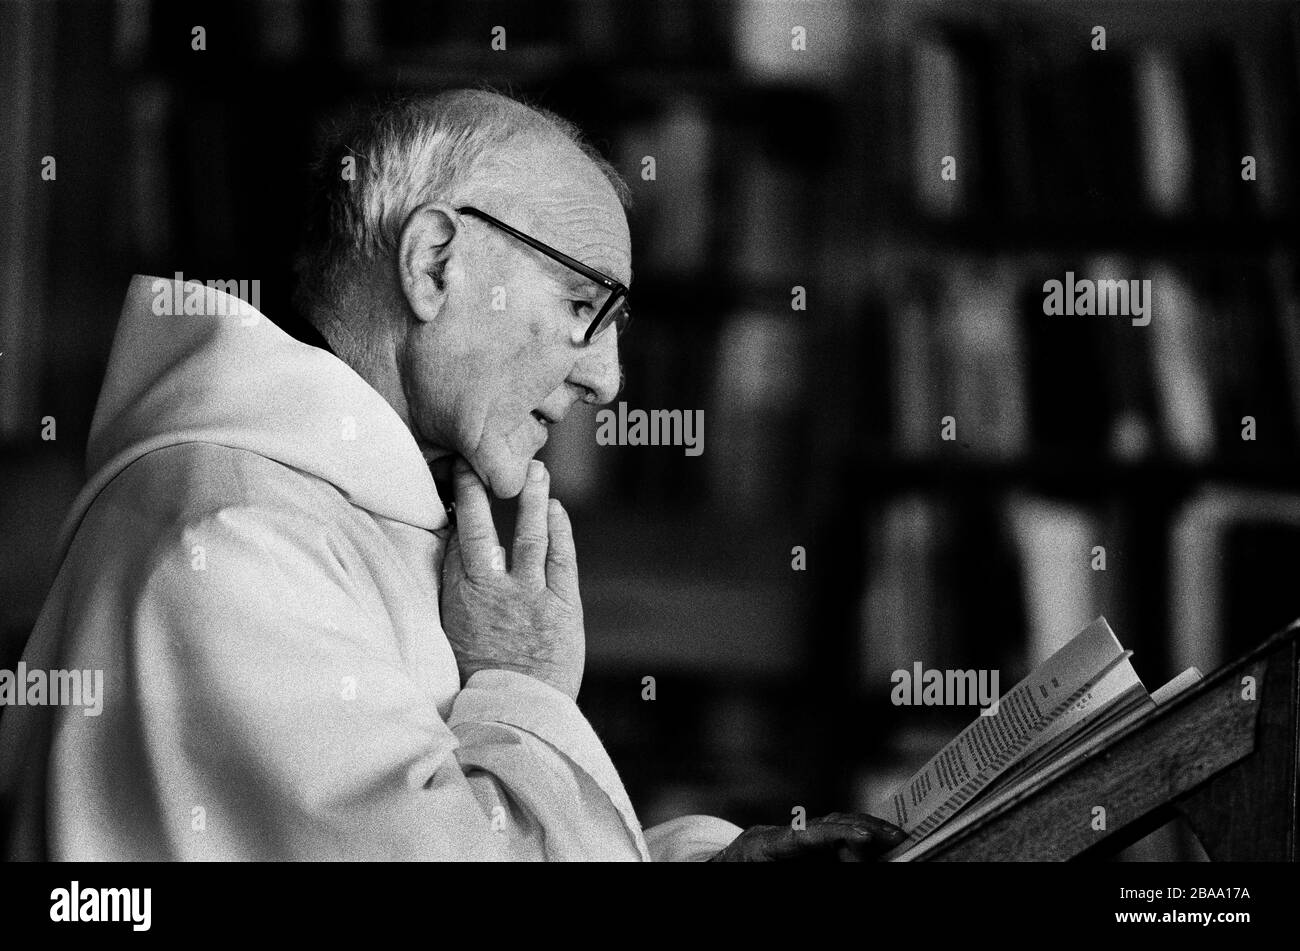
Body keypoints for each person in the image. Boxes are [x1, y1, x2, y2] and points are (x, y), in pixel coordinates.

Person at [0, 89, 904, 861]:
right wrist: (525, 689)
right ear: (434, 262)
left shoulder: (308, 504)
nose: (608, 378)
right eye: (583, 306)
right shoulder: (236, 542)